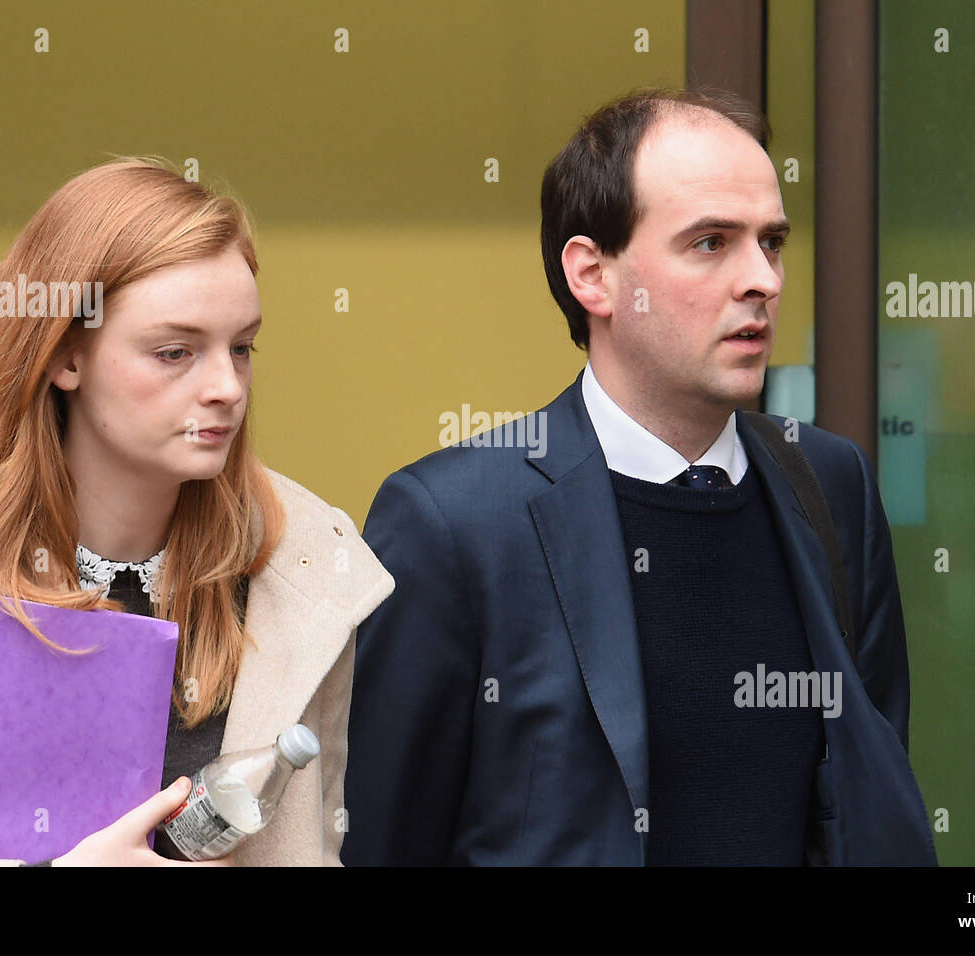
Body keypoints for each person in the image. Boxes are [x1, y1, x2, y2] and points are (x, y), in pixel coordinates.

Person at [341, 89, 937, 865]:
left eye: (773, 241)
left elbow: (871, 792)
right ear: (594, 276)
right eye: (711, 242)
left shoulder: (830, 483)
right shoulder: (454, 521)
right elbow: (383, 842)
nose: (762, 278)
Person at [0, 158, 393, 866]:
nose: (227, 386)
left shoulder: (308, 564)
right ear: (66, 356)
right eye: (175, 352)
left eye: (243, 347)